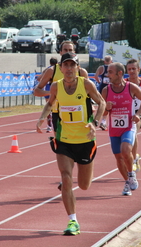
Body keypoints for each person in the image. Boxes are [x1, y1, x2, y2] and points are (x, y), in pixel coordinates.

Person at [36, 52, 105, 235]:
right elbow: (50, 104)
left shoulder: (86, 84)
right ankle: (72, 221)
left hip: (85, 140)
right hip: (64, 139)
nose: (68, 69)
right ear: (61, 68)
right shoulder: (56, 87)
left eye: (72, 65)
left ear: (77, 68)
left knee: (83, 185)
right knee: (66, 177)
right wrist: (42, 118)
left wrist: (95, 123)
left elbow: (102, 103)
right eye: (65, 65)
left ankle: (79, 176)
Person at [102, 62, 141, 196]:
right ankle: (127, 181)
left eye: (110, 72)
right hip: (114, 129)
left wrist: (138, 114)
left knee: (125, 150)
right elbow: (102, 113)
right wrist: (106, 108)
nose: (108, 74)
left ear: (119, 73)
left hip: (128, 126)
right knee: (118, 157)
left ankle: (131, 174)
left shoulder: (131, 87)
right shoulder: (106, 90)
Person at [36, 57, 58, 133]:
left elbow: (39, 79)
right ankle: (51, 125)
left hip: (47, 90)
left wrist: (46, 80)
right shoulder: (57, 69)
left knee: (49, 107)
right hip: (54, 90)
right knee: (54, 108)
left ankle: (49, 126)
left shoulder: (47, 70)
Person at [94, 55, 113, 130]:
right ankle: (103, 121)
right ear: (111, 61)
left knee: (102, 104)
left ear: (104, 61)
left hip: (102, 87)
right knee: (108, 104)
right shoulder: (112, 68)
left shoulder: (101, 68)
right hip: (110, 88)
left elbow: (96, 76)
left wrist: (99, 82)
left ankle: (99, 120)